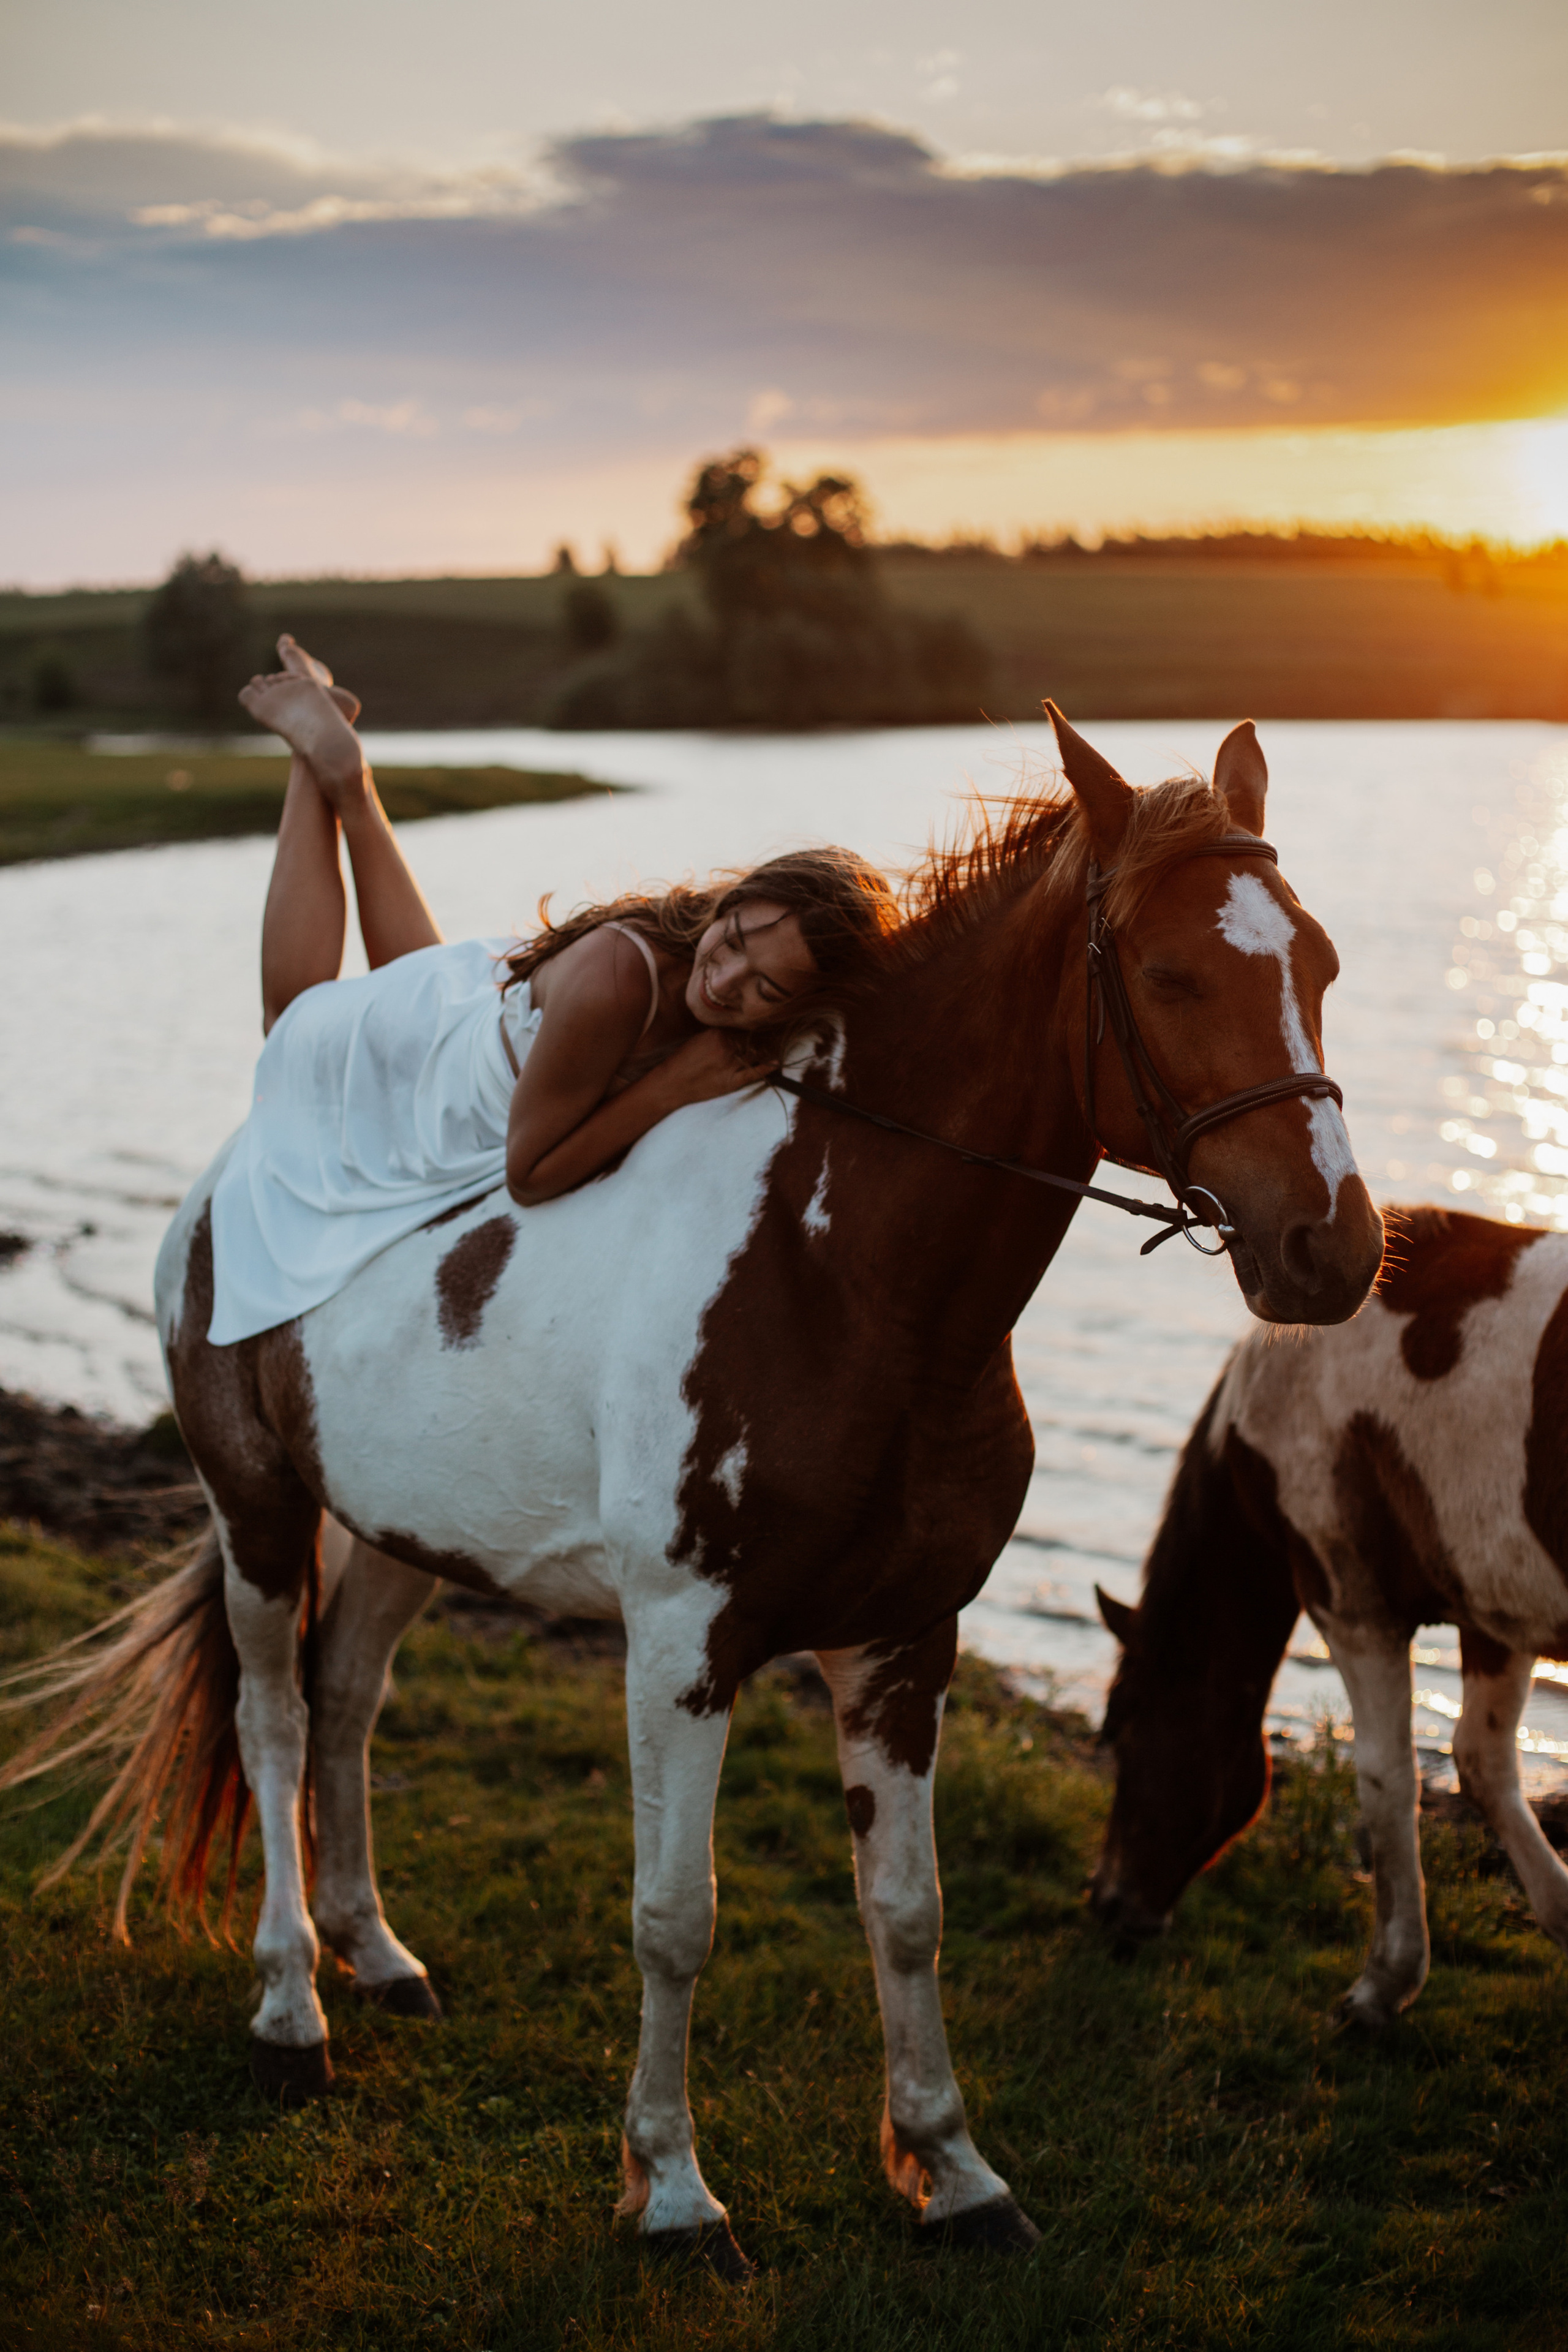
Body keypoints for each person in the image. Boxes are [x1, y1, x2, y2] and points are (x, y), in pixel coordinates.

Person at [203, 636, 894, 1345]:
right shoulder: (619, 983)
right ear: (731, 900)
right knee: (292, 1018)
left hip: (477, 1018)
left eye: (766, 986)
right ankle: (313, 756)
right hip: (459, 1081)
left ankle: (349, 773)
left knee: (411, 974)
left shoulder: (761, 999)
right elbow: (528, 1176)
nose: (725, 981)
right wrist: (669, 1088)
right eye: (736, 941)